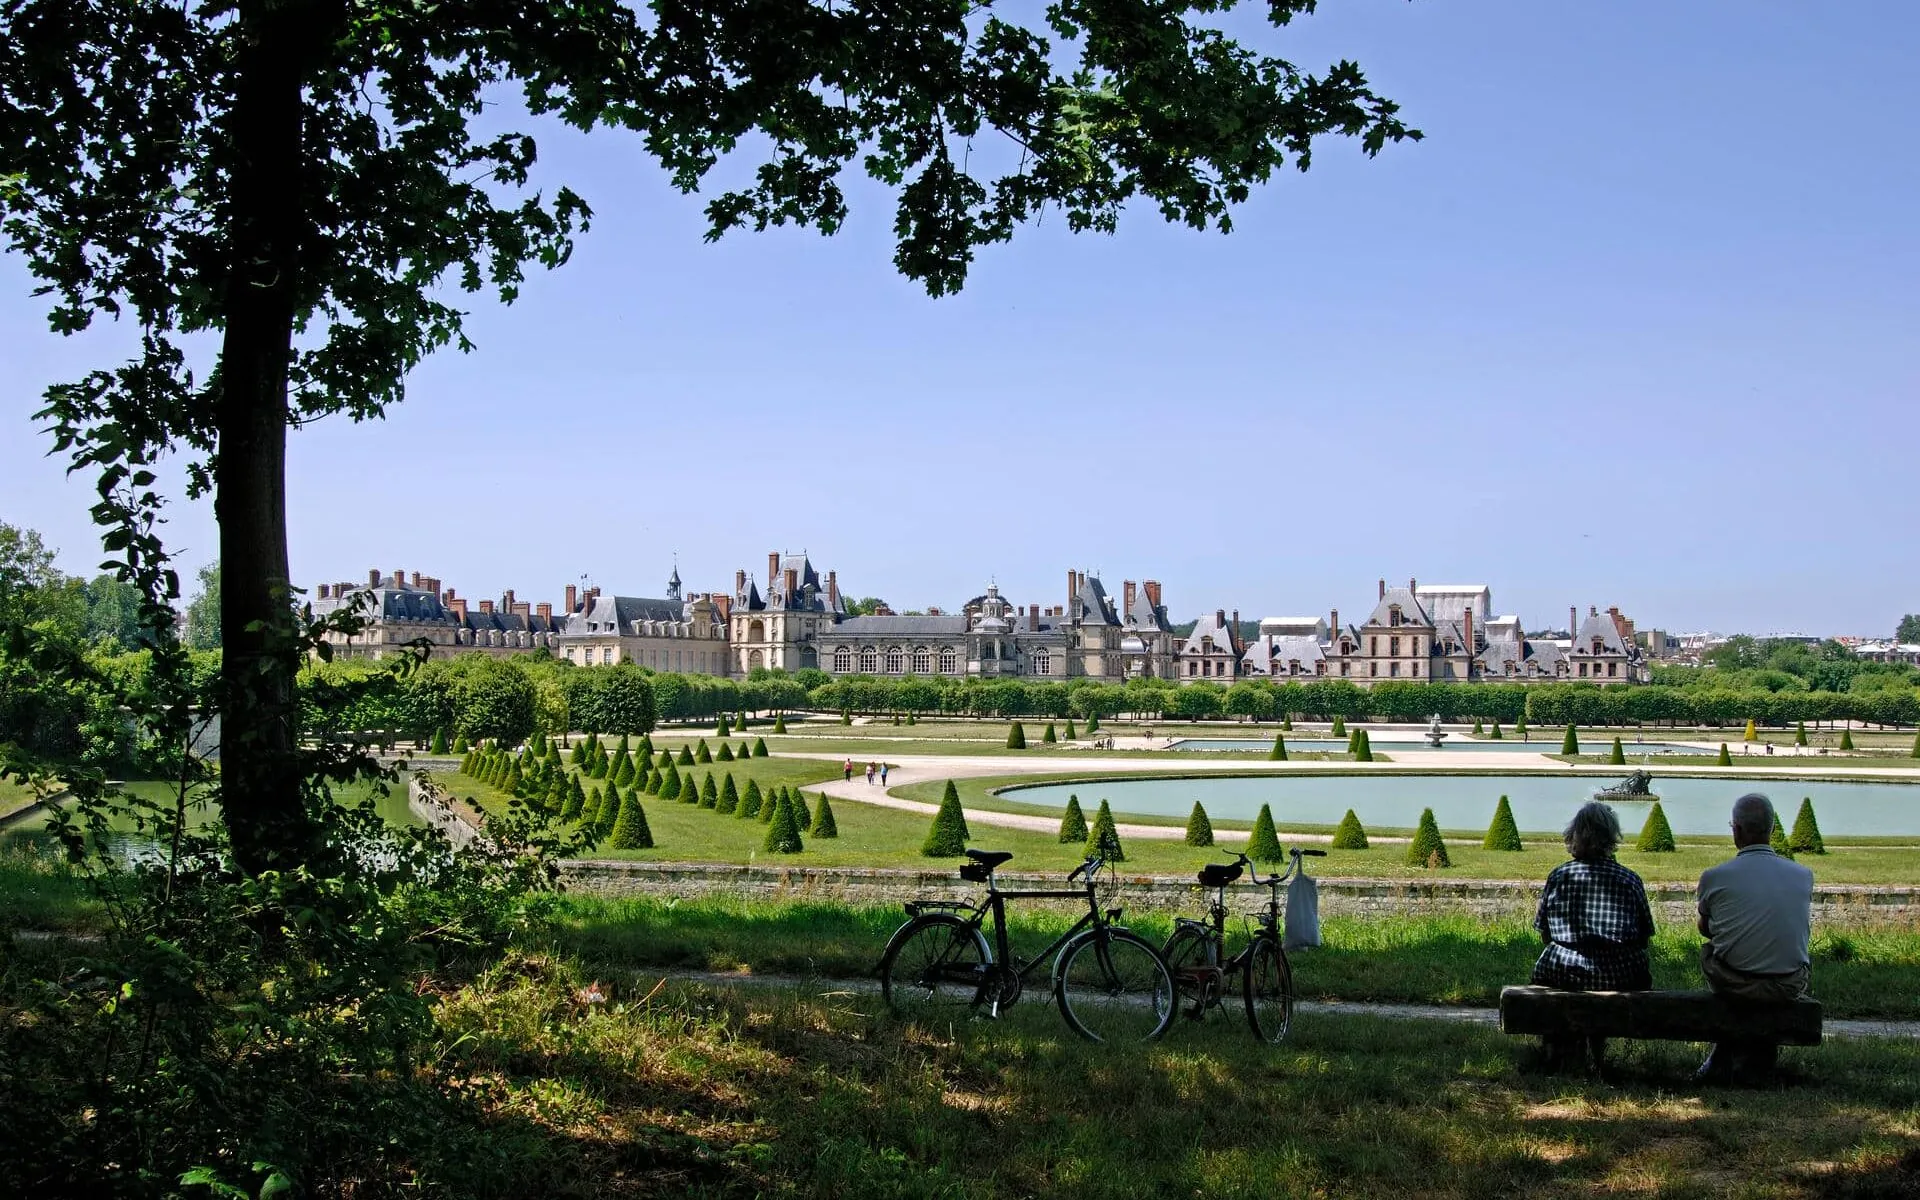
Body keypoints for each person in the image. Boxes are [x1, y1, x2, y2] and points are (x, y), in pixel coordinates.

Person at [1694, 792, 1815, 1084]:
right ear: (1772, 830)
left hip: (1734, 983)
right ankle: (1756, 1059)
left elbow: (1705, 928)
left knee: (1709, 951)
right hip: (1787, 983)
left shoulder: (1715, 877)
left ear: (1736, 831)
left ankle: (1725, 1056)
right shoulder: (1802, 875)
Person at [1530, 801, 1655, 1069]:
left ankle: (1560, 1052)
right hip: (1619, 975)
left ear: (1574, 834)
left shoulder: (1561, 876)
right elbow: (1644, 937)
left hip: (1567, 973)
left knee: (1548, 972)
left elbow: (1544, 933)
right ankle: (1597, 1054)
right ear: (1611, 837)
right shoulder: (1629, 879)